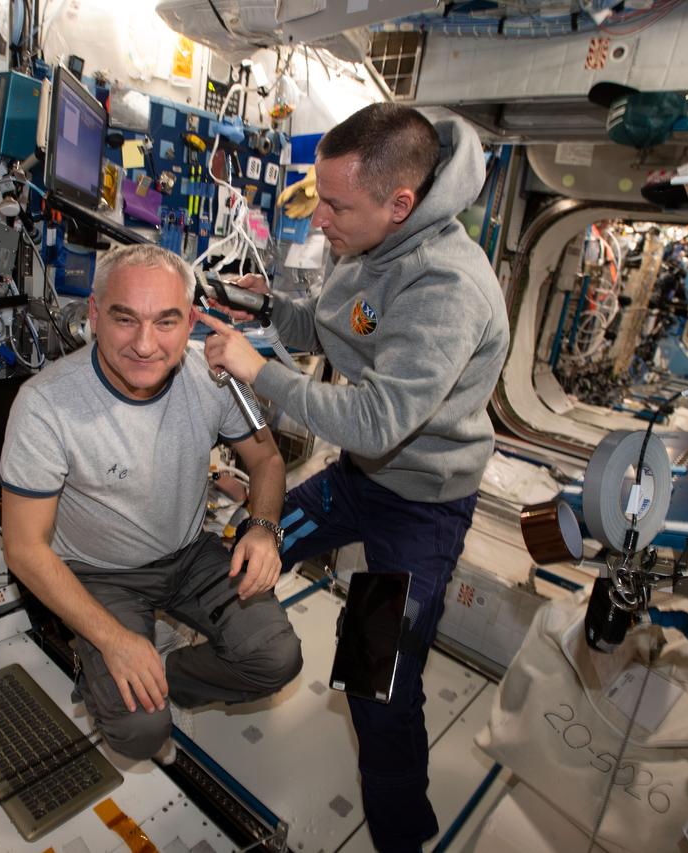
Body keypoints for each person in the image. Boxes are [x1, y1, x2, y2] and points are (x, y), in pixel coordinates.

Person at [200, 104, 510, 852]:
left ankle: (404, 836)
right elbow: (335, 326)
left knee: (374, 683)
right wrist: (266, 308)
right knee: (248, 543)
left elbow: (375, 419)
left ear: (399, 203)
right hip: (362, 480)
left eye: (335, 205)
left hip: (420, 509)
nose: (322, 220)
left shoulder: (447, 286)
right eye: (320, 198)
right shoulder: (368, 242)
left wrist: (259, 369)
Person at [0, 244, 302, 761]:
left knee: (276, 658)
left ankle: (166, 677)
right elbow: (25, 549)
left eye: (166, 322)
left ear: (190, 323)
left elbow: (268, 461)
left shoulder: (212, 377)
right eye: (124, 319)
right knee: (140, 732)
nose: (145, 344)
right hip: (100, 573)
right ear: (94, 316)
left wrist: (262, 528)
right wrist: (111, 640)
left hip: (188, 556)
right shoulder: (45, 404)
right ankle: (106, 668)